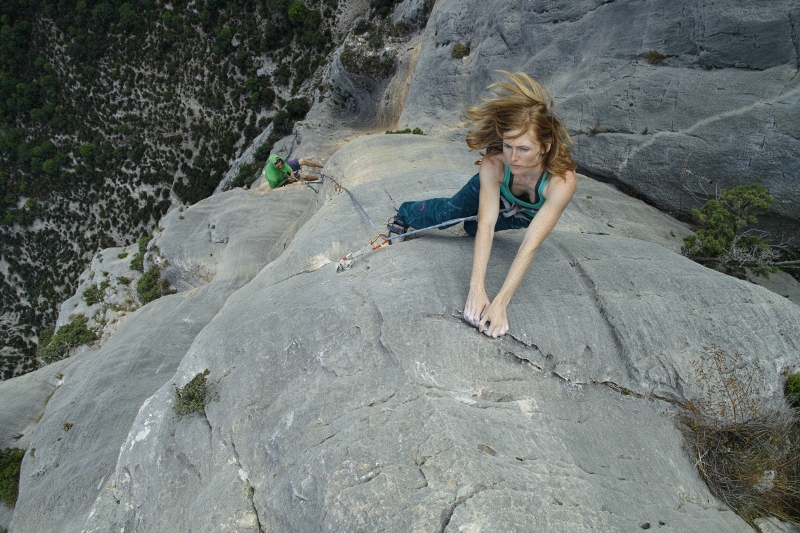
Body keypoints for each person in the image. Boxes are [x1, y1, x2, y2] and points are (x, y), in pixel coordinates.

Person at [392, 71, 577, 338]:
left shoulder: (561, 182)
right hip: (491, 190)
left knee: (471, 228)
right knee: (450, 214)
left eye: (523, 149)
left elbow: (529, 245)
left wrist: (500, 303)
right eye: (507, 145)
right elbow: (487, 226)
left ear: (545, 146)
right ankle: (405, 212)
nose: (513, 157)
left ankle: (468, 223)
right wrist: (476, 289)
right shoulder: (495, 164)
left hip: (522, 212)